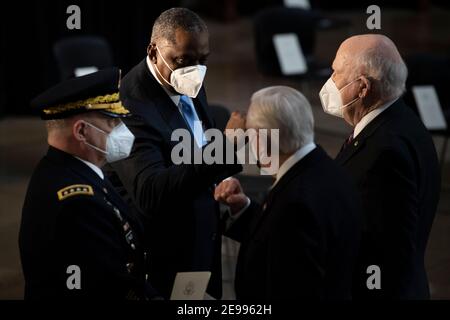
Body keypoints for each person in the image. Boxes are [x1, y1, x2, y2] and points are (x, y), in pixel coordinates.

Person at [104, 8, 243, 298]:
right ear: (153, 51)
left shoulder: (184, 77)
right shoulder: (127, 106)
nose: (195, 70)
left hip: (202, 236)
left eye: (202, 60)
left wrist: (218, 180)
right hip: (164, 255)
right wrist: (222, 150)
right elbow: (150, 192)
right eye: (184, 61)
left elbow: (194, 148)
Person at [19, 68, 158, 300]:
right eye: (111, 123)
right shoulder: (77, 202)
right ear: (82, 131)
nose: (122, 131)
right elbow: (107, 286)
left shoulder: (73, 169)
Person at [319, 34, 440, 299]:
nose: (330, 81)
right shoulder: (402, 121)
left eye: (336, 73)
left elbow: (386, 251)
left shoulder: (386, 152)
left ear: (362, 87)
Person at [214, 86, 361, 300]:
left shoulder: (295, 203)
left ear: (262, 139)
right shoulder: (331, 172)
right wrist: (244, 208)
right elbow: (274, 237)